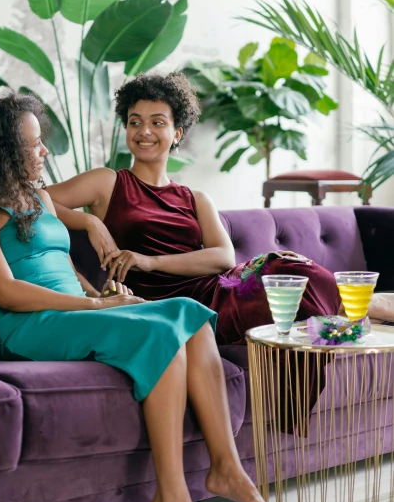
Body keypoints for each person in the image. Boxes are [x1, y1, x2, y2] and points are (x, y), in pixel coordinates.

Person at [0, 92, 279, 502]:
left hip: (73, 308)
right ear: (2, 150)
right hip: (26, 324)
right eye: (34, 145)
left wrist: (97, 281)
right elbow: (6, 291)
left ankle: (226, 468)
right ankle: (172, 501)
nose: (43, 153)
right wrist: (92, 306)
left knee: (191, 317)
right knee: (160, 332)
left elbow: (60, 261)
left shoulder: (36, 198)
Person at [48, 73, 345, 346]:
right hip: (166, 306)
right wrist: (89, 221)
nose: (144, 131)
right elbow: (32, 198)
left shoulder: (195, 198)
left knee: (291, 271)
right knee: (285, 296)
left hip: (217, 294)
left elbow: (223, 257)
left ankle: (360, 307)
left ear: (177, 133)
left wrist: (149, 261)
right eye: (135, 122)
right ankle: (358, 310)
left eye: (158, 122)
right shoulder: (107, 182)